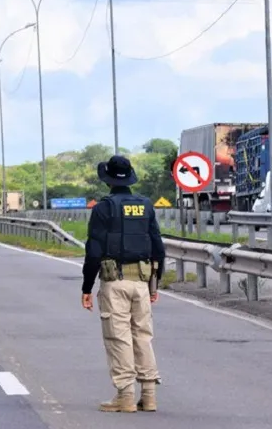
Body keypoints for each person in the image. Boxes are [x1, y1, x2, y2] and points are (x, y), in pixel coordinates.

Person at [81, 155, 166, 414]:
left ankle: (125, 396)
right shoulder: (145, 205)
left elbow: (94, 250)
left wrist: (86, 287)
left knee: (118, 337)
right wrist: (155, 285)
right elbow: (157, 248)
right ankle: (149, 396)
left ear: (107, 179)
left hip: (114, 281)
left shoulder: (103, 208)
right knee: (142, 336)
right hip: (141, 282)